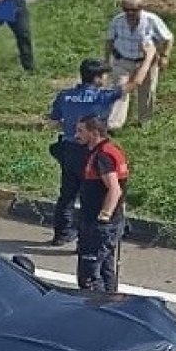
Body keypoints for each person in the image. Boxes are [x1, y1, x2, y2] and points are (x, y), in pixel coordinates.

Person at [45, 58, 128, 246]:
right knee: (89, 197)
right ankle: (85, 239)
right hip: (91, 152)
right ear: (98, 78)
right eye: (104, 76)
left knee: (67, 194)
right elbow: (132, 85)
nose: (106, 80)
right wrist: (147, 62)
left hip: (69, 150)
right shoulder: (102, 97)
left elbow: (54, 120)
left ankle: (61, 234)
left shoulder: (65, 96)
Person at [73, 115, 129, 293]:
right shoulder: (111, 149)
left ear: (94, 133)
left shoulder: (102, 156)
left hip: (99, 224)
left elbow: (115, 190)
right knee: (106, 270)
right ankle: (110, 302)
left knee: (89, 275)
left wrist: (103, 218)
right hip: (111, 221)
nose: (76, 135)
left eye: (81, 131)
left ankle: (95, 309)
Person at [105, 0, 174, 130]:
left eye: (134, 10)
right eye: (126, 10)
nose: (130, 13)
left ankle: (144, 121)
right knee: (120, 90)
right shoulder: (117, 21)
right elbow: (109, 40)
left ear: (141, 9)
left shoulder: (151, 20)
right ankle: (114, 125)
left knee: (147, 91)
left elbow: (169, 38)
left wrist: (165, 56)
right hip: (122, 60)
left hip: (145, 62)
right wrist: (106, 60)